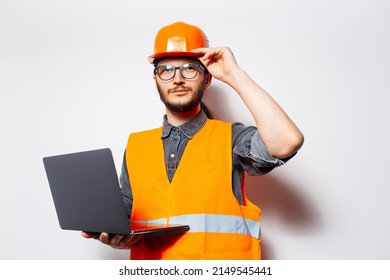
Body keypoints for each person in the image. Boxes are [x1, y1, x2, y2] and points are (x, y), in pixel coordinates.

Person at [82, 21, 304, 260]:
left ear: (207, 80)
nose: (177, 79)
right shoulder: (136, 145)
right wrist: (117, 237)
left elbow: (286, 141)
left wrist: (234, 75)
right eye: (166, 70)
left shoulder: (231, 139)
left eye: (189, 69)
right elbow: (128, 222)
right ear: (156, 80)